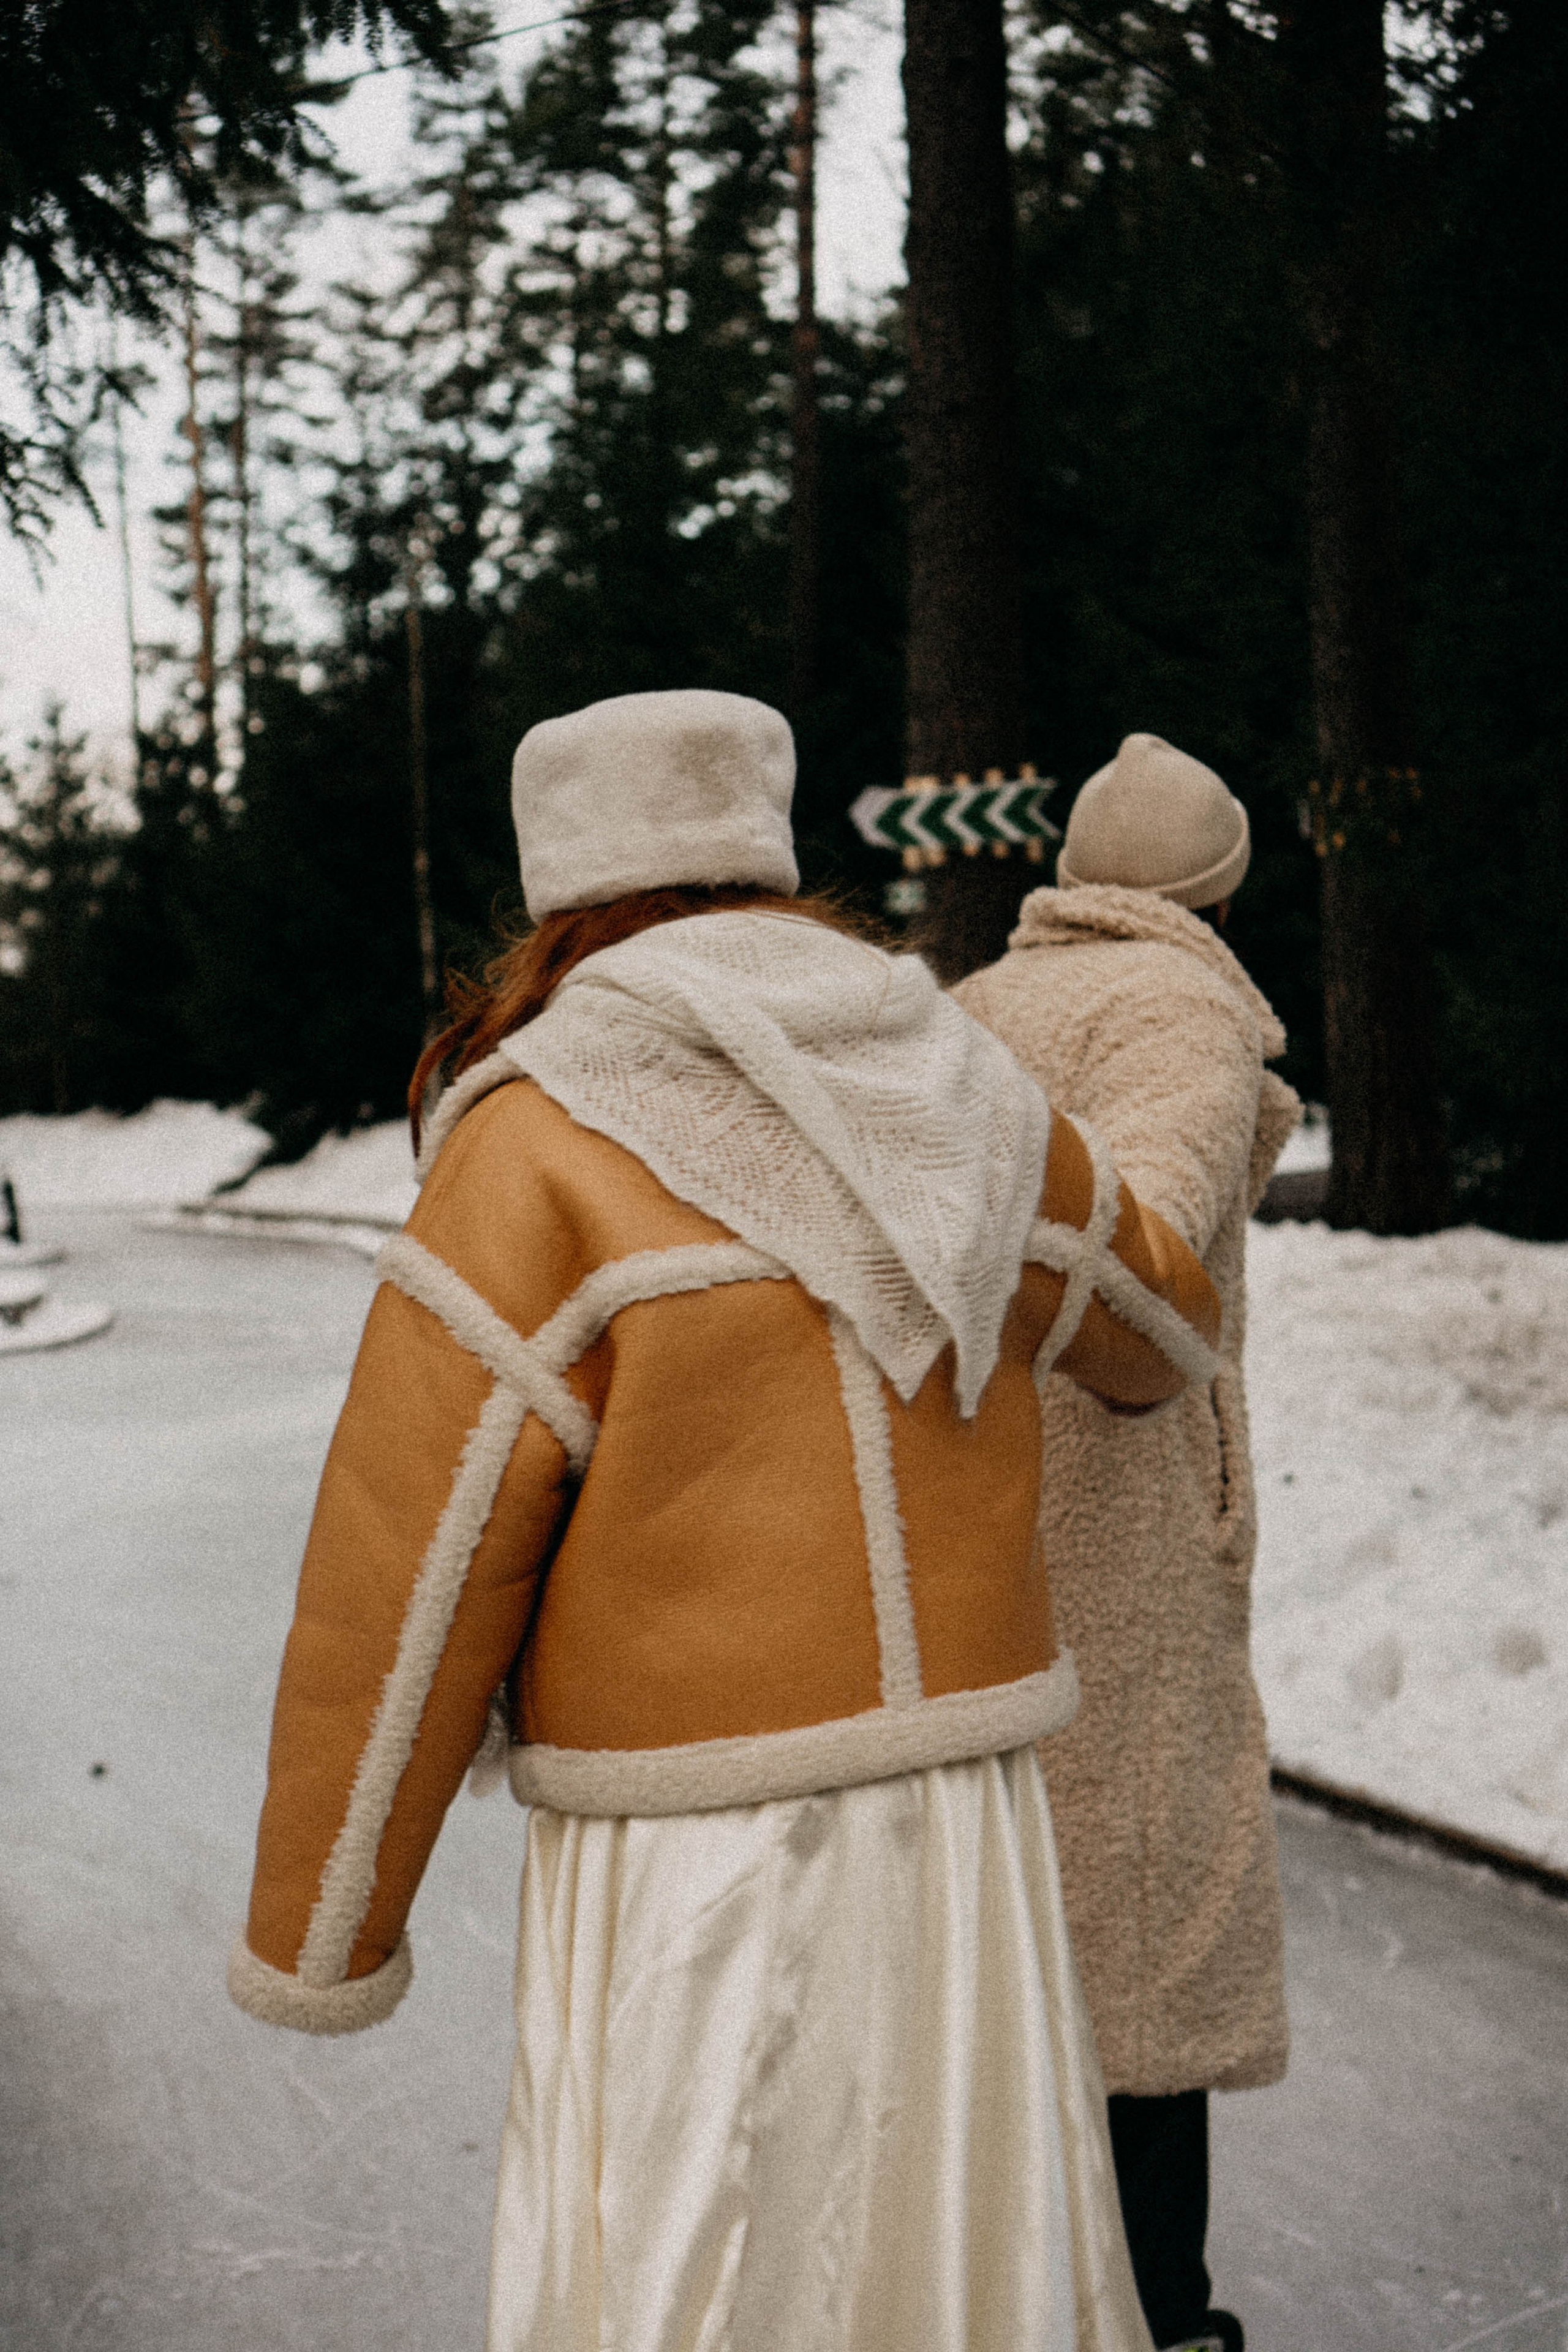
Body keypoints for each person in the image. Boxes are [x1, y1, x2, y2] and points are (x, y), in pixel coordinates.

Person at [228, 688, 1225, 2352]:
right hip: (963, 1824)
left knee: (712, 2270)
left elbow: (411, 1556)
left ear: (565, 890)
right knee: (961, 2268)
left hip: (696, 1852)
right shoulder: (950, 1092)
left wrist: (323, 1923)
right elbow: (1160, 1327)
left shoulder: (537, 1141)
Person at [954, 732, 1300, 2352]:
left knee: (1008, 1971)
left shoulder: (973, 1010)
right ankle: (1160, 2323)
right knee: (1139, 1978)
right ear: (1216, 884)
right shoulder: (1178, 1014)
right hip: (1118, 1553)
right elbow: (1140, 1251)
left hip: (976, 1536)